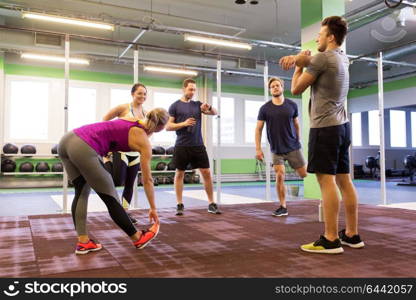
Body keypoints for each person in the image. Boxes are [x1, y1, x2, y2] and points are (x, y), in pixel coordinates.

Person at [279, 16, 364, 254]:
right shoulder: (342, 58)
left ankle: (330, 239)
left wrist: (297, 65)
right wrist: (302, 59)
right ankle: (352, 234)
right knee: (344, 180)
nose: (317, 37)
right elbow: (311, 58)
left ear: (331, 37)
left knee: (326, 181)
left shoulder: (323, 58)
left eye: (320, 33)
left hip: (325, 128)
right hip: (343, 126)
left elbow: (296, 88)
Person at [58, 107, 169, 254]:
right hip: (85, 145)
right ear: (160, 128)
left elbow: (110, 126)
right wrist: (153, 208)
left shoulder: (132, 119)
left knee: (82, 191)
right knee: (111, 197)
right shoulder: (144, 142)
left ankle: (84, 242)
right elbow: (147, 179)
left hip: (66, 141)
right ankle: (137, 238)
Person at [166, 78, 221, 216]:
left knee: (207, 173)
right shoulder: (175, 106)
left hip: (198, 144)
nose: (192, 92)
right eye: (190, 89)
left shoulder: (198, 105)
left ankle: (211, 203)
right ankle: (179, 204)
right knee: (179, 174)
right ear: (183, 89)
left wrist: (208, 107)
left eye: (194, 90)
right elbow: (168, 126)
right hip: (182, 145)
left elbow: (215, 112)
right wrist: (183, 124)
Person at [255, 77, 307, 217]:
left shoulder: (292, 105)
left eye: (278, 85)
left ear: (282, 87)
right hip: (276, 149)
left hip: (293, 147)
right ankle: (283, 206)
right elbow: (258, 129)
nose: (275, 88)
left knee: (304, 174)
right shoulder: (265, 108)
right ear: (270, 89)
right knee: (279, 175)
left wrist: (298, 138)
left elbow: (296, 124)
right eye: (273, 86)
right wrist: (258, 149)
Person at [102, 83, 147, 224]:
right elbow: (104, 121)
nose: (142, 96)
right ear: (133, 94)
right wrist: (108, 144)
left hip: (135, 154)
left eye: (145, 94)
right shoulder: (123, 108)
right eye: (140, 93)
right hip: (120, 150)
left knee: (129, 184)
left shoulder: (146, 113)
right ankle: (105, 161)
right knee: (117, 181)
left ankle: (125, 213)